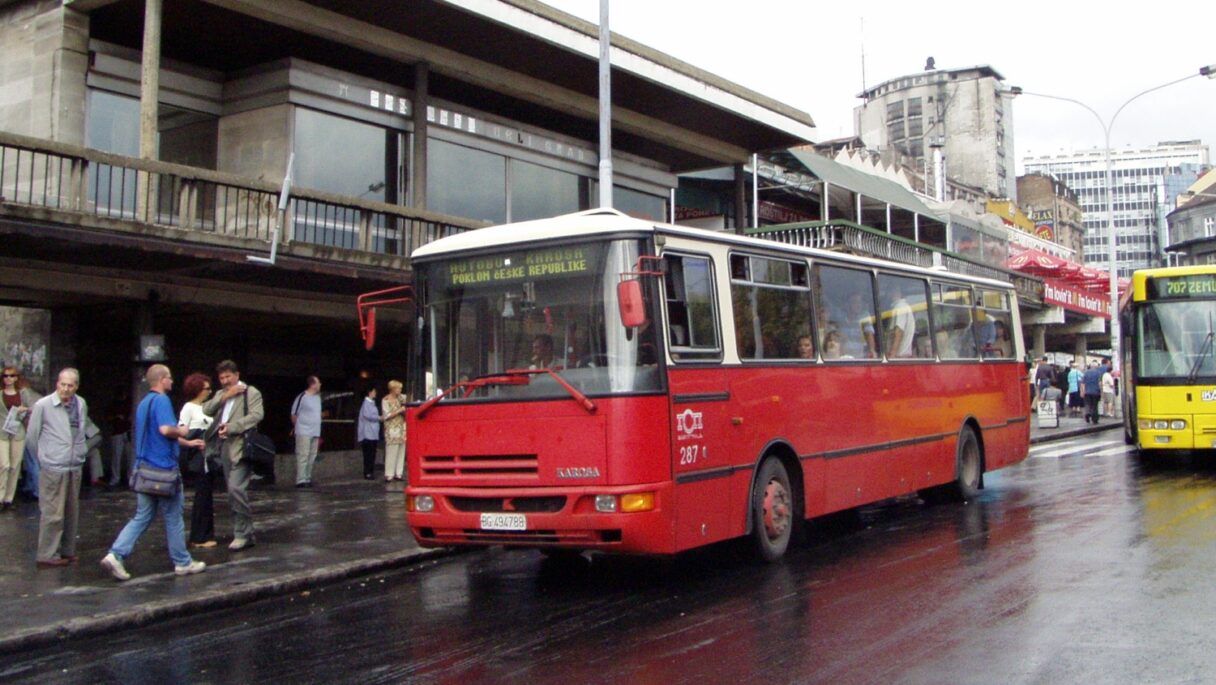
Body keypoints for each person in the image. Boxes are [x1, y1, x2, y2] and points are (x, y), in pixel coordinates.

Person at [100, 364, 206, 581]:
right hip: (164, 470)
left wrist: (186, 442)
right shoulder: (162, 401)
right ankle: (182, 562)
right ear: (161, 379)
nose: (172, 382)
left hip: (145, 470)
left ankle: (116, 554)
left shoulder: (143, 403)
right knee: (174, 517)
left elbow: (154, 434)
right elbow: (166, 430)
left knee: (142, 516)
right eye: (170, 378)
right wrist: (183, 430)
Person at [26, 368, 88, 567]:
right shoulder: (43, 405)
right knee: (53, 513)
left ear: (76, 387)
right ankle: (47, 554)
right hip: (53, 466)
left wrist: (80, 452)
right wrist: (45, 457)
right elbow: (31, 437)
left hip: (74, 464)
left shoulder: (80, 403)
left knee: (71, 511)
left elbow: (81, 430)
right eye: (63, 384)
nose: (66, 389)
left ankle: (67, 550)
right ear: (57, 384)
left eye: (71, 386)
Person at [201, 360, 264, 551]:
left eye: (228, 376)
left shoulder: (250, 392)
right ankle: (246, 532)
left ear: (237, 375)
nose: (225, 380)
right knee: (232, 491)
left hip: (241, 447)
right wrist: (225, 396)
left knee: (236, 488)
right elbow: (205, 410)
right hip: (223, 448)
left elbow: (257, 415)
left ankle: (242, 533)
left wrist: (232, 428)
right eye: (221, 378)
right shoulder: (221, 394)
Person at [180, 372, 219, 548]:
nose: (209, 391)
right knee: (202, 495)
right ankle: (198, 536)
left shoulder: (208, 407)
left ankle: (206, 533)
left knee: (207, 495)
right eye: (206, 389)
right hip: (199, 455)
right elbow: (180, 430)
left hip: (210, 454)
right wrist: (190, 442)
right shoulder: (189, 408)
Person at [0, 366, 40, 510]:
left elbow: (35, 408)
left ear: (16, 377)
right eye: (5, 376)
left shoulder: (23, 394)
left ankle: (8, 500)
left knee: (15, 465)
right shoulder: (0, 394)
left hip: (18, 432)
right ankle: (0, 496)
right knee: (3, 464)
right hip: (2, 433)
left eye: (11, 376)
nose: (8, 379)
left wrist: (25, 411)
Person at [290, 375, 323, 488]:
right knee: (303, 455)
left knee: (312, 455)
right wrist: (298, 427)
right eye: (318, 382)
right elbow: (294, 414)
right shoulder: (302, 397)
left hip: (315, 431)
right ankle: (300, 479)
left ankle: (307, 477)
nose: (320, 385)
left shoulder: (318, 398)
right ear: (312, 384)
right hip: (303, 430)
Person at [104, 390, 132, 488]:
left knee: (130, 457)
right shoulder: (113, 404)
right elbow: (107, 418)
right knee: (116, 456)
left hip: (128, 432)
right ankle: (115, 479)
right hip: (117, 432)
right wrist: (116, 417)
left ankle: (131, 478)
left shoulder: (130, 403)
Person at [381, 380, 406, 483]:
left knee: (401, 450)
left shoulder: (401, 398)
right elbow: (386, 415)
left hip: (402, 427)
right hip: (391, 428)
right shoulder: (385, 400)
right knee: (391, 451)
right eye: (398, 388)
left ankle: (398, 473)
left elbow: (410, 398)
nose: (400, 390)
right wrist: (400, 410)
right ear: (393, 389)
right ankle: (389, 474)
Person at [884, 287, 915, 358]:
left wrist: (892, 354)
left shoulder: (900, 307)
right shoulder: (904, 306)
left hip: (899, 356)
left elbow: (899, 332)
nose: (888, 295)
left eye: (889, 292)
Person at [357, 386, 380, 480]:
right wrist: (378, 417)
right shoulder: (366, 403)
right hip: (368, 433)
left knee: (372, 453)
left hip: (373, 433)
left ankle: (370, 471)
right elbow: (368, 415)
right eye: (374, 391)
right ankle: (367, 472)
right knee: (368, 454)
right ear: (370, 392)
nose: (375, 393)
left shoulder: (371, 403)